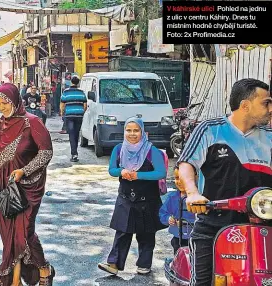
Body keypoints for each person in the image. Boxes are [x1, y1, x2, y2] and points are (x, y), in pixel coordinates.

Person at [178, 78, 272, 286]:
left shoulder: (270, 137)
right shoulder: (210, 130)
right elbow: (186, 163)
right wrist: (193, 193)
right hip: (214, 225)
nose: (270, 108)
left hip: (264, 228)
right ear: (245, 105)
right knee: (203, 282)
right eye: (266, 102)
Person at [0, 83, 54, 286]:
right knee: (10, 236)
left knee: (25, 233)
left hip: (28, 187)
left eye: (5, 102)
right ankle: (15, 281)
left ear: (15, 100)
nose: (2, 107)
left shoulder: (32, 122)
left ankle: (43, 269)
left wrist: (25, 171)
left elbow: (46, 153)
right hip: (4, 188)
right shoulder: (0, 124)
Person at [98, 117, 167, 276]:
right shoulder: (119, 149)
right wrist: (121, 172)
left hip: (147, 199)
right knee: (122, 231)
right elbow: (112, 170)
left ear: (143, 132)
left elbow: (161, 173)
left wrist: (138, 175)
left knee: (146, 234)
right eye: (128, 130)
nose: (132, 134)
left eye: (136, 130)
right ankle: (114, 264)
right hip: (125, 198)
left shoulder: (151, 150)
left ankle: (144, 264)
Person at [159, 170, 195, 255]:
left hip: (195, 236)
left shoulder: (199, 198)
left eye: (183, 178)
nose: (179, 181)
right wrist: (168, 219)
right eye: (176, 178)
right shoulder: (172, 197)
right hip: (178, 237)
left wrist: (185, 222)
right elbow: (163, 213)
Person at [60, 76, 88, 163]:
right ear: (78, 83)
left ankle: (74, 154)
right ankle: (75, 153)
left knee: (71, 134)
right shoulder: (81, 92)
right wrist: (81, 112)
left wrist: (62, 113)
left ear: (71, 82)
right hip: (79, 116)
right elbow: (85, 105)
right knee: (76, 134)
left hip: (69, 116)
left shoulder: (66, 92)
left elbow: (62, 104)